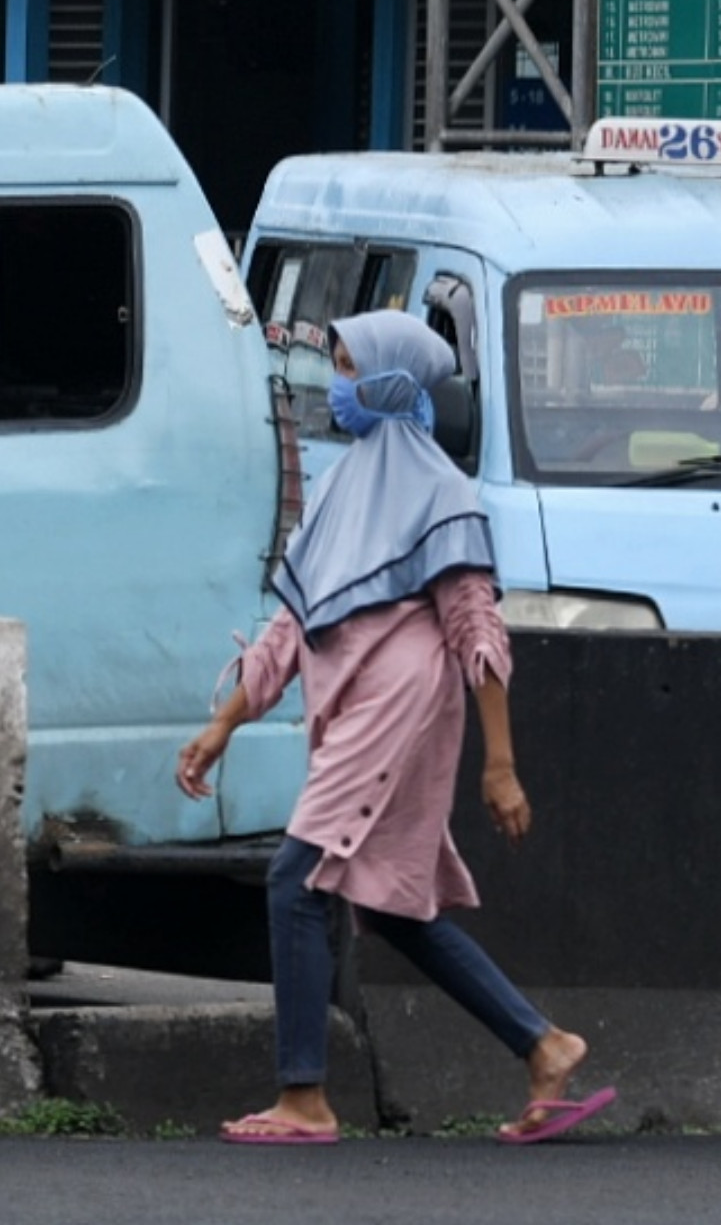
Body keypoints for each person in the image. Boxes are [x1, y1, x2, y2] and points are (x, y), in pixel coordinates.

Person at [177, 310, 609, 1146]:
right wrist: (224, 722)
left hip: (398, 711)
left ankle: (304, 1098)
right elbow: (293, 625)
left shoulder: (443, 492)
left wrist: (500, 765)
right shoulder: (341, 485)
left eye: (347, 367)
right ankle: (544, 1045)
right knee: (388, 906)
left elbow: (476, 629)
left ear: (390, 382)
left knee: (297, 879)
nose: (335, 384)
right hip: (352, 709)